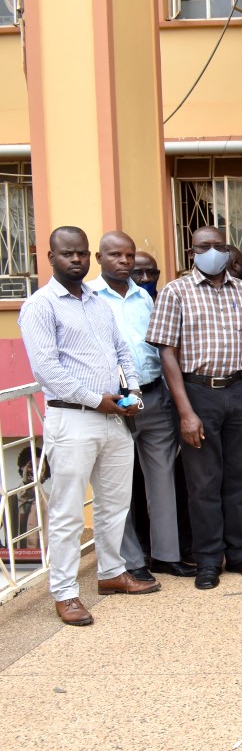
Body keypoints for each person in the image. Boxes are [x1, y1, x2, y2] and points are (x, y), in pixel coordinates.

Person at [19, 227, 157, 625]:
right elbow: (47, 370)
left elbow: (122, 351)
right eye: (67, 254)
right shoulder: (40, 306)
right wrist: (100, 400)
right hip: (74, 418)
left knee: (115, 503)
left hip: (115, 417)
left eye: (81, 253)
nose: (75, 260)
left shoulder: (97, 302)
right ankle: (64, 593)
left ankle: (112, 573)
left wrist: (132, 392)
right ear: (51, 258)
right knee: (67, 512)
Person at [147, 225, 242, 590]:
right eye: (204, 246)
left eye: (218, 246)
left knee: (240, 480)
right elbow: (166, 351)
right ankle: (208, 560)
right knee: (203, 483)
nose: (212, 252)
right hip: (198, 393)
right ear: (192, 252)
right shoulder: (175, 291)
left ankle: (241, 554)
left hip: (240, 389)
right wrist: (185, 411)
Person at [88, 232, 191, 579]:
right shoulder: (87, 298)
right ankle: (131, 561)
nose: (124, 262)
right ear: (99, 258)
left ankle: (166, 555)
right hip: (113, 402)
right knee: (118, 486)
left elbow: (157, 348)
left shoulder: (144, 298)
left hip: (154, 397)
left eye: (129, 256)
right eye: (115, 255)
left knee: (162, 480)